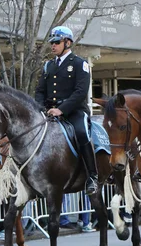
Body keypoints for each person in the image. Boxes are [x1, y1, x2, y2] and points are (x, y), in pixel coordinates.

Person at [35, 26, 98, 194]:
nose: (53, 46)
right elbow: (40, 91)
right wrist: (41, 109)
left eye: (57, 42)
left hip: (74, 111)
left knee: (82, 132)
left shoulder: (80, 64)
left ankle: (92, 176)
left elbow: (80, 92)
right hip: (50, 112)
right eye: (52, 43)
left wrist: (61, 110)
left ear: (68, 43)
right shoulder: (48, 66)